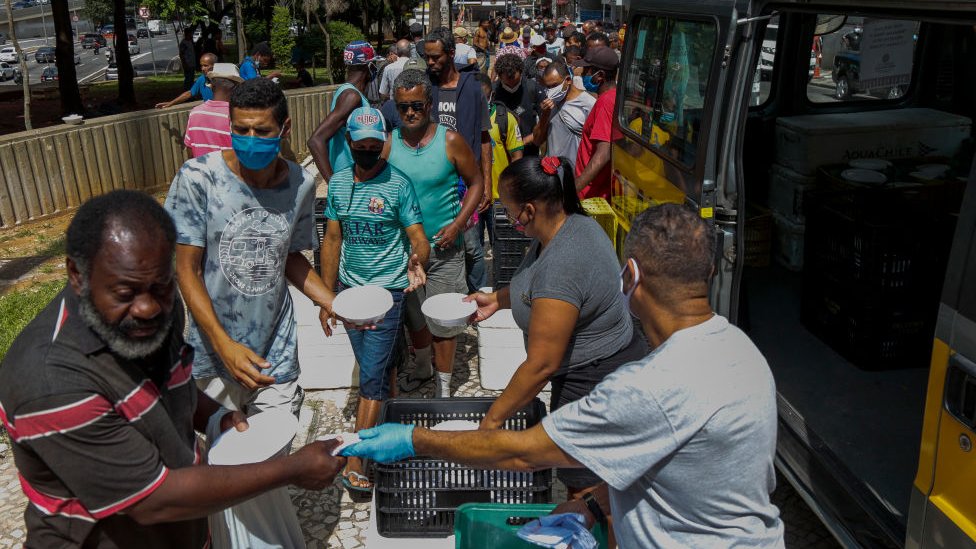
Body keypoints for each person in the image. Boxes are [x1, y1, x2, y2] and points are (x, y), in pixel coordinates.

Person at [342, 203, 786, 549]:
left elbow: (521, 454)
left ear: (629, 276)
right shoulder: (741, 350)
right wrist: (591, 503)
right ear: (709, 272)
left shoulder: (646, 390)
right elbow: (689, 474)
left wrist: (413, 439)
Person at [0, 190, 346, 548]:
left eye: (161, 286)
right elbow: (153, 500)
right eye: (125, 291)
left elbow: (169, 388)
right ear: (77, 274)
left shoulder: (156, 313)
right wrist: (292, 470)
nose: (148, 307)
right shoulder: (50, 380)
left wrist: (217, 419)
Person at [165, 78, 334, 432]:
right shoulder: (198, 179)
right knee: (225, 460)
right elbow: (186, 270)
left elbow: (288, 256)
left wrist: (330, 301)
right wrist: (224, 345)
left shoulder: (300, 184)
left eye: (262, 131)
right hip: (213, 352)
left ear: (284, 129)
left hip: (276, 347)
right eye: (241, 130)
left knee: (274, 451)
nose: (251, 140)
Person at [479, 155, 648, 498]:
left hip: (594, 377)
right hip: (586, 369)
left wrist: (491, 422)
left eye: (509, 210)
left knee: (588, 489)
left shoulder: (565, 263)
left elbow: (542, 364)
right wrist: (498, 298)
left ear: (528, 211)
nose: (508, 217)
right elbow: (534, 288)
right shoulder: (568, 226)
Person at [319, 107, 430, 491]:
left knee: (370, 378)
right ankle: (389, 434)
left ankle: (355, 462)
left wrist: (419, 258)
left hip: (388, 295)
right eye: (360, 146)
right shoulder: (336, 185)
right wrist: (326, 297)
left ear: (383, 144)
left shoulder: (398, 185)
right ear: (349, 144)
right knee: (379, 370)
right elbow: (332, 240)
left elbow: (418, 235)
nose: (367, 151)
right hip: (350, 293)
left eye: (374, 146)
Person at [387, 70, 485, 397]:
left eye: (416, 105)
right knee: (415, 317)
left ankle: (443, 390)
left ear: (429, 104)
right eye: (403, 108)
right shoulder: (389, 144)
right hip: (405, 253)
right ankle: (422, 366)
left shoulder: (450, 140)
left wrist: (458, 224)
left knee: (444, 321)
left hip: (445, 251)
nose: (410, 113)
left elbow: (476, 182)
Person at [422, 28, 492, 296]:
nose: (430, 63)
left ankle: (478, 297)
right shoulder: (425, 88)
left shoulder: (473, 90)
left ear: (451, 53)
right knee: (438, 241)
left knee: (473, 247)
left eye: (435, 57)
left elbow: (485, 139)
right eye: (427, 57)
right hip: (434, 182)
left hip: (467, 183)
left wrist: (485, 181)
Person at [307, 41, 377, 181]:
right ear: (369, 66)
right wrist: (333, 186)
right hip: (350, 179)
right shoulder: (351, 96)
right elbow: (316, 140)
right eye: (375, 64)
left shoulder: (347, 92)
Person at [476, 72, 523, 241]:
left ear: (492, 96)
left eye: (484, 98)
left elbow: (517, 156)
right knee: (475, 246)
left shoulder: (506, 119)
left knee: (502, 243)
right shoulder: (464, 120)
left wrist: (511, 190)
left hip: (499, 197)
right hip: (472, 197)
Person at [574, 47, 619, 200]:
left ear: (600, 75)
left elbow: (604, 153)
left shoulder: (606, 102)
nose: (582, 74)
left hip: (591, 195)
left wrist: (575, 189)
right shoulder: (612, 97)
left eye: (587, 70)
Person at [533, 61, 594, 164]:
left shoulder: (588, 104)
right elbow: (537, 140)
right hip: (553, 171)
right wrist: (545, 114)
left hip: (576, 171)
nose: (550, 91)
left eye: (554, 86)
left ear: (568, 80)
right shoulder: (549, 104)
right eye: (548, 87)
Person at [182, 63, 241, 157]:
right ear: (236, 88)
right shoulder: (235, 115)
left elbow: (190, 148)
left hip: (201, 169)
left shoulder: (195, 112)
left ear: (212, 87)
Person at [493, 53, 542, 157]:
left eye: (515, 83)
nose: (511, 87)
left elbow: (545, 122)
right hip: (502, 153)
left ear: (521, 72)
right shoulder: (493, 92)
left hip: (529, 151)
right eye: (507, 84)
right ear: (499, 76)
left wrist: (527, 140)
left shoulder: (533, 88)